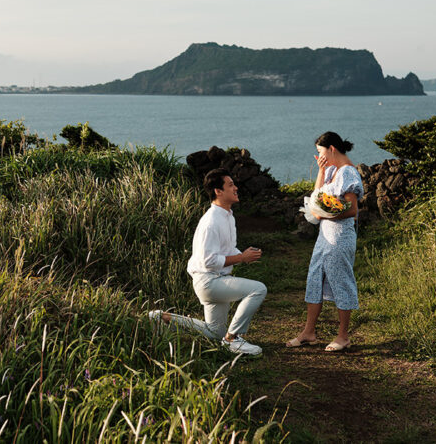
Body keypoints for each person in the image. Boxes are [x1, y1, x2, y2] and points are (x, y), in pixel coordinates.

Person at [148, 168, 268, 355]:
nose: (236, 188)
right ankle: (233, 339)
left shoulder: (227, 216)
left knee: (214, 332)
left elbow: (226, 250)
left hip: (215, 279)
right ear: (218, 191)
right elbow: (208, 261)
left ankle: (162, 318)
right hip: (209, 281)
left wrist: (244, 255)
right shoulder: (211, 221)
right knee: (258, 289)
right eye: (230, 185)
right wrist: (241, 258)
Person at [287, 132, 363, 352]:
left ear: (331, 148)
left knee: (341, 281)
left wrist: (323, 215)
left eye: (320, 152)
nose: (319, 157)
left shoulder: (348, 172)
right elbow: (317, 194)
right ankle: (308, 331)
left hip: (340, 237)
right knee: (314, 278)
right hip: (324, 235)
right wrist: (320, 170)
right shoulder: (330, 170)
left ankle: (343, 336)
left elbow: (352, 210)